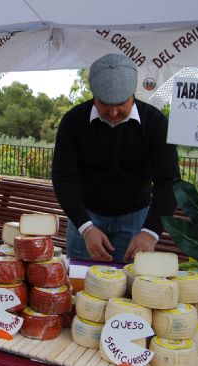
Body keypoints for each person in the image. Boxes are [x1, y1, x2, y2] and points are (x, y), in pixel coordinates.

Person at [52, 53, 179, 263]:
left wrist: (150, 232)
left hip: (135, 218)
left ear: (133, 94)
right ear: (93, 95)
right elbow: (63, 177)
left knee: (129, 288)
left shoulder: (155, 123)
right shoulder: (73, 120)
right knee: (79, 282)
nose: (112, 112)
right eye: (104, 103)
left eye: (121, 103)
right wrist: (86, 227)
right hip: (85, 214)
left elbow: (169, 182)